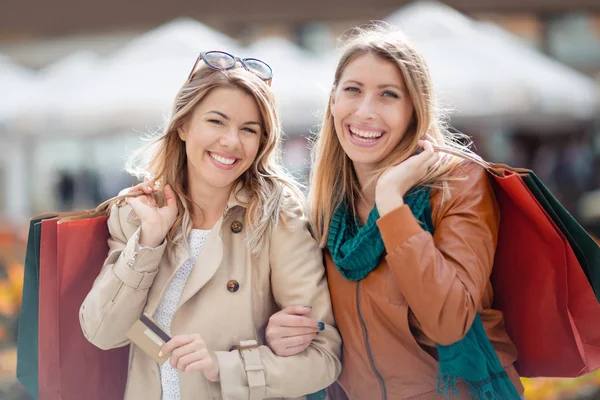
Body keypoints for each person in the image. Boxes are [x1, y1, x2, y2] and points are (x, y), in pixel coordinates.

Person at [264, 25, 525, 399]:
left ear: (413, 111)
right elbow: (324, 325)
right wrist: (281, 332)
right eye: (352, 90)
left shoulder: (459, 184)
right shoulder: (326, 211)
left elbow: (450, 322)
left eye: (388, 95)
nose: (365, 112)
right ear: (333, 101)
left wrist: (392, 202)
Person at [80, 51, 342, 400]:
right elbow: (102, 331)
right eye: (217, 122)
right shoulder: (137, 213)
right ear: (184, 125)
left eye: (249, 130)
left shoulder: (276, 215)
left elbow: (323, 358)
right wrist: (149, 241)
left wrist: (225, 367)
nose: (231, 141)